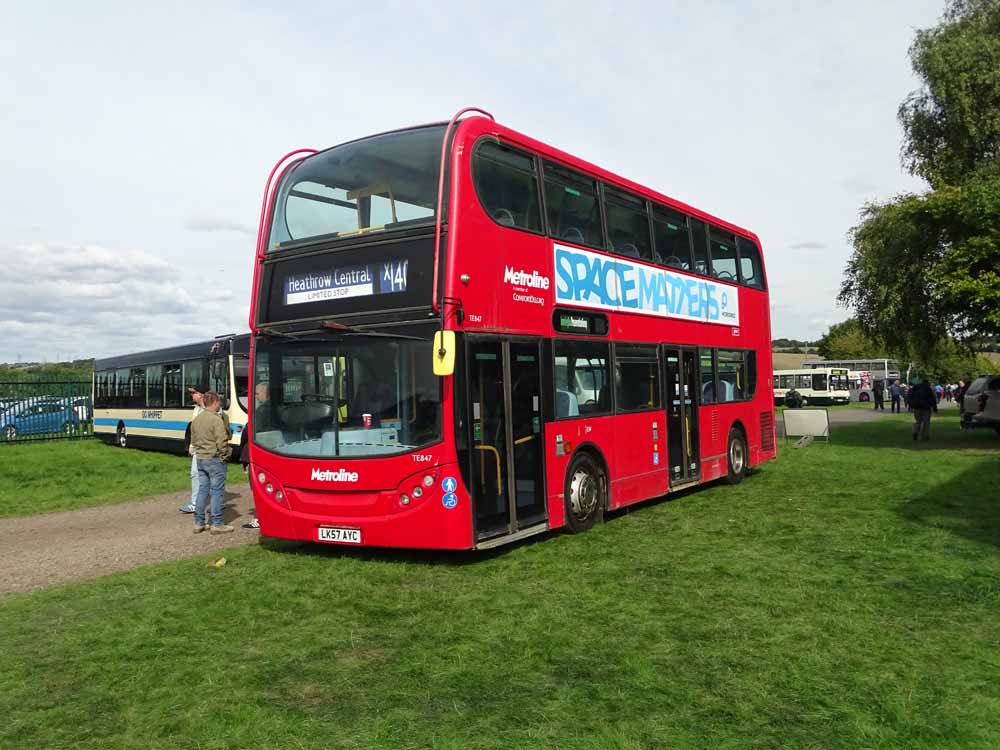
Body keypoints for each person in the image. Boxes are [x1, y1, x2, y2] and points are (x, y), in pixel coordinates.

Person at [190, 390, 235, 534]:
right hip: (214, 459)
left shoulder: (197, 419)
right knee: (216, 491)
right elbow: (222, 441)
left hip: (201, 458)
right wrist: (224, 455)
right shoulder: (216, 419)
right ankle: (217, 523)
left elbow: (193, 440)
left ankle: (199, 522)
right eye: (219, 402)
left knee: (203, 490)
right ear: (215, 402)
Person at [909, 378, 938, 442]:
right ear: (927, 383)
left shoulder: (916, 387)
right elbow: (932, 399)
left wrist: (911, 406)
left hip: (917, 407)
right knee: (926, 422)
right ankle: (924, 436)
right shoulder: (928, 389)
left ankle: (915, 431)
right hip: (926, 407)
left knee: (918, 421)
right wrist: (935, 408)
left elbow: (910, 396)